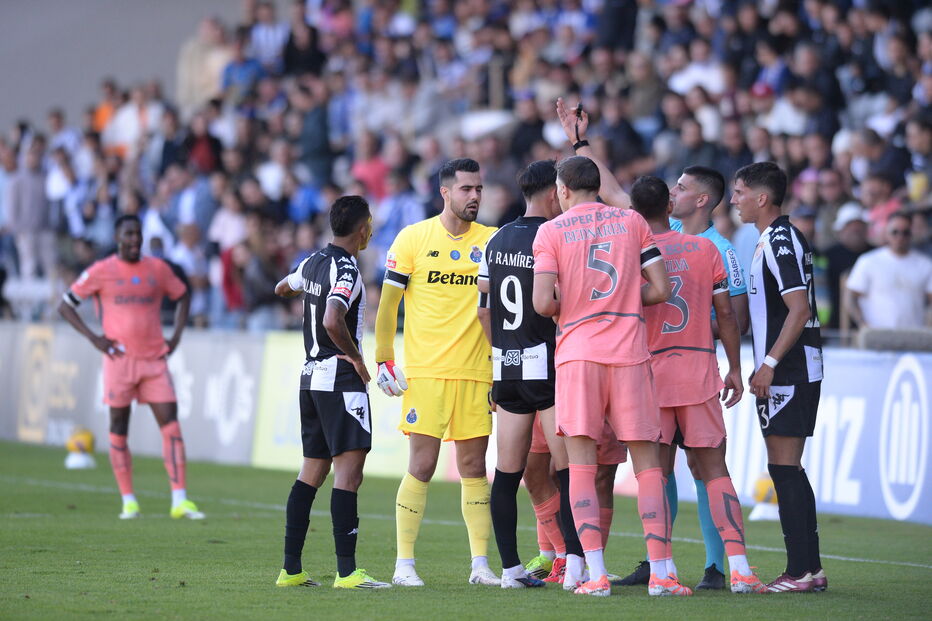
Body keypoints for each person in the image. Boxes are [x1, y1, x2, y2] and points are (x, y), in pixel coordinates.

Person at [531, 156, 687, 597]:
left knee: (580, 464)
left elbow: (543, 303)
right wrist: (620, 296)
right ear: (597, 187)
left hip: (579, 356)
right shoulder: (632, 222)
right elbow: (661, 288)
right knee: (648, 467)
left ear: (562, 190)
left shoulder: (551, 231)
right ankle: (661, 573)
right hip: (630, 355)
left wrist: (573, 298)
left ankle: (594, 574)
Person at [631, 175, 767, 594]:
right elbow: (727, 316)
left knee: (653, 472)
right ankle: (740, 569)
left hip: (650, 374)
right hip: (698, 371)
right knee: (714, 470)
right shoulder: (706, 248)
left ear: (635, 214)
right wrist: (734, 367)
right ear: (668, 208)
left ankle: (661, 572)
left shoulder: (633, 251)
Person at [374, 158, 499, 587]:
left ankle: (480, 564)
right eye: (466, 189)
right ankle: (404, 564)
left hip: (477, 371)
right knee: (422, 465)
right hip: (426, 373)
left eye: (479, 188)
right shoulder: (413, 238)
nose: (475, 196)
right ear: (445, 192)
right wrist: (383, 358)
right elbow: (388, 306)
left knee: (474, 467)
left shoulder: (493, 241)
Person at [272, 195, 390, 590]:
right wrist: (355, 358)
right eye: (370, 224)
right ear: (362, 229)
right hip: (339, 381)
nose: (371, 229)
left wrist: (305, 289)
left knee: (313, 471)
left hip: (309, 379)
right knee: (349, 475)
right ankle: (347, 572)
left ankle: (291, 570)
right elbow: (332, 317)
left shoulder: (313, 262)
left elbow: (281, 288)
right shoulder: (348, 269)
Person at [58, 214, 203, 521]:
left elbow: (183, 295)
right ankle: (129, 501)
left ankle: (180, 500)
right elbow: (65, 305)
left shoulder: (157, 269)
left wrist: (175, 336)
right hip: (118, 363)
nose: (135, 240)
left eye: (137, 234)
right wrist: (94, 338)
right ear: (117, 238)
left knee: (171, 425)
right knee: (119, 429)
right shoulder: (102, 271)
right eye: (128, 235)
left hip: (153, 361)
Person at [731, 161, 826, 593]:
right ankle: (811, 569)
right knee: (787, 468)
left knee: (784, 469)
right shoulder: (770, 239)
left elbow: (799, 308)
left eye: (739, 192)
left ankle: (801, 571)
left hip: (789, 370)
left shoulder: (779, 239)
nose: (734, 200)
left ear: (761, 197)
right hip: (788, 367)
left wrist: (767, 363)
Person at [478, 160, 559, 590]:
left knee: (507, 474)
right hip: (545, 365)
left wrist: (501, 353)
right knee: (568, 469)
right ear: (552, 193)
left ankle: (510, 571)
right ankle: (576, 564)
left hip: (507, 366)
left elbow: (483, 309)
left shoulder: (496, 240)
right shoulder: (553, 236)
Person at [845, 212, 932, 329]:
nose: (900, 237)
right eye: (895, 232)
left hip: (913, 336)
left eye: (905, 233)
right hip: (877, 336)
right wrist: (862, 324)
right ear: (886, 233)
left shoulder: (925, 264)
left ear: (911, 234)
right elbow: (851, 296)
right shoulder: (868, 261)